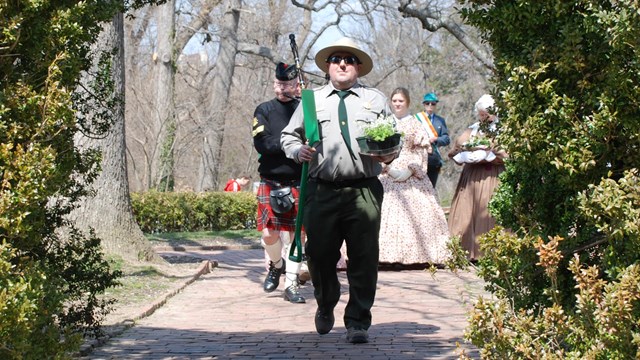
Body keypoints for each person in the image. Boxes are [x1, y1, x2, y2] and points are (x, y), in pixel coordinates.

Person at [281, 37, 398, 344]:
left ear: (357, 66)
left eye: (348, 59)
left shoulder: (374, 99)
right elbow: (288, 137)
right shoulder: (312, 100)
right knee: (319, 256)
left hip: (364, 191)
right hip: (321, 191)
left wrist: (388, 154)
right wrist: (297, 152)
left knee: (364, 257)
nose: (342, 63)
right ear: (328, 67)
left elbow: (392, 141)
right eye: (336, 59)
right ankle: (326, 300)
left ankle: (358, 321)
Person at [378, 87, 451, 266]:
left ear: (407, 103)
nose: (397, 104)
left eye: (401, 101)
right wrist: (386, 167)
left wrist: (411, 170)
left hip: (411, 172)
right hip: (388, 171)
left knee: (421, 210)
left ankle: (422, 255)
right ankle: (386, 256)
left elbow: (421, 151)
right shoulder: (385, 123)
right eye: (394, 100)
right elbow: (377, 150)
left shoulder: (415, 123)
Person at [252, 62, 306, 304]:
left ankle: (292, 284)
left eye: (287, 84)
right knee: (268, 235)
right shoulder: (263, 110)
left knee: (298, 237)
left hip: (298, 180)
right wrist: (291, 145)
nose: (282, 88)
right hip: (271, 180)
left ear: (296, 85)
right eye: (278, 83)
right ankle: (276, 264)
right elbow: (262, 143)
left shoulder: (304, 109)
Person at [447, 94, 508, 260]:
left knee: (490, 213)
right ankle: (464, 251)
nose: (483, 118)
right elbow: (456, 148)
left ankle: (492, 252)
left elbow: (508, 153)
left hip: (493, 177)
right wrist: (463, 154)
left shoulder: (503, 129)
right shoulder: (472, 129)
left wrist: (491, 154)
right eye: (481, 114)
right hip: (472, 176)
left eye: (486, 114)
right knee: (466, 212)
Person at [414, 92, 450, 188]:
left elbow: (446, 139)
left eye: (433, 103)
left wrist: (436, 139)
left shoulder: (440, 120)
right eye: (427, 103)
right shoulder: (416, 119)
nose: (430, 105)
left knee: (430, 188)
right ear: (424, 104)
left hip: (433, 159)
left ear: (435, 105)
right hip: (418, 158)